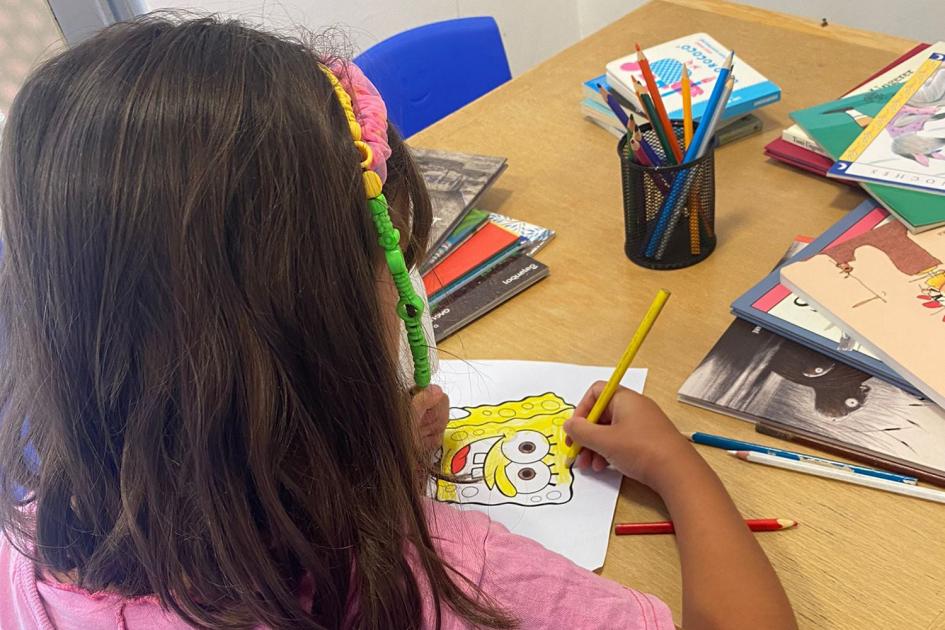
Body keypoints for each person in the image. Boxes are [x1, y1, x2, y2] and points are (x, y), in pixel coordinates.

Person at [0, 15, 796, 629]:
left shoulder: (30, 542)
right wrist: (681, 470)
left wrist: (367, 441)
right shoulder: (436, 581)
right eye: (396, 258)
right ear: (334, 326)